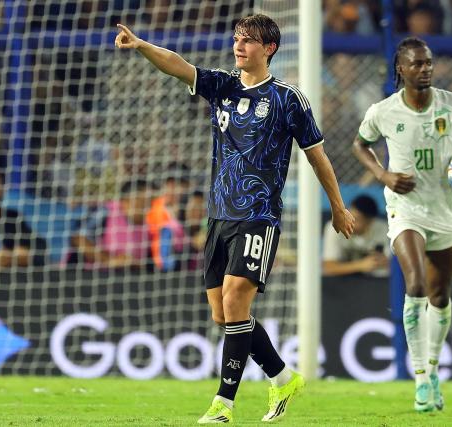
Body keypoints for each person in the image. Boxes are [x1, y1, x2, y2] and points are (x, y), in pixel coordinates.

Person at [116, 14, 355, 424]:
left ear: (270, 49)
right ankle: (282, 377)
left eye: (249, 41)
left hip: (259, 216)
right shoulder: (222, 86)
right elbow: (178, 65)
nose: (239, 46)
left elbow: (317, 155)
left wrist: (337, 206)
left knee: (234, 299)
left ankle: (223, 404)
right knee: (224, 316)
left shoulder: (287, 98)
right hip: (219, 216)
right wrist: (141, 46)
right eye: (237, 39)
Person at [352, 37, 452, 412]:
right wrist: (384, 176)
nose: (425, 69)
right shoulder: (384, 111)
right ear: (400, 69)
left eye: (429, 63)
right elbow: (360, 144)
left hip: (444, 211)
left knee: (440, 296)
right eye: (417, 64)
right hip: (405, 209)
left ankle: (433, 370)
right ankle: (420, 378)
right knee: (416, 284)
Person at [69, 180, 155, 269]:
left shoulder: (148, 228)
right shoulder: (105, 211)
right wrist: (111, 260)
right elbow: (78, 239)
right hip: (91, 276)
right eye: (145, 202)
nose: (149, 207)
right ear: (128, 200)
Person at [323, 194, 390, 277]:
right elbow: (329, 268)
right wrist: (361, 265)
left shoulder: (384, 230)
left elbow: (394, 266)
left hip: (373, 283)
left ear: (370, 222)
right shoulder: (335, 227)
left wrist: (386, 262)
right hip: (341, 283)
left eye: (356, 219)